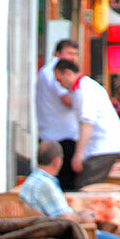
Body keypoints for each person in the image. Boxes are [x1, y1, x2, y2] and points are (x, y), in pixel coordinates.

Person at [19, 140, 120, 239]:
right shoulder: (46, 184)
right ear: (57, 161)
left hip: (49, 231)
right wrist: (82, 217)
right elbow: (64, 218)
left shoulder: (31, 180)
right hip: (67, 235)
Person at [52, 60, 120, 188]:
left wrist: (78, 153)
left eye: (60, 80)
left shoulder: (85, 89)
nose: (60, 85)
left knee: (86, 188)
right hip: (99, 147)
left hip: (102, 147)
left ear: (68, 74)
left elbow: (87, 123)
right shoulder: (81, 88)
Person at [36, 39, 80, 191]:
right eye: (69, 53)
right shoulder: (56, 73)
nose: (72, 58)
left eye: (75, 54)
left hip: (53, 132)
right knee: (65, 184)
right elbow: (67, 100)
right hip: (61, 135)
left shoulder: (47, 70)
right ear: (57, 53)